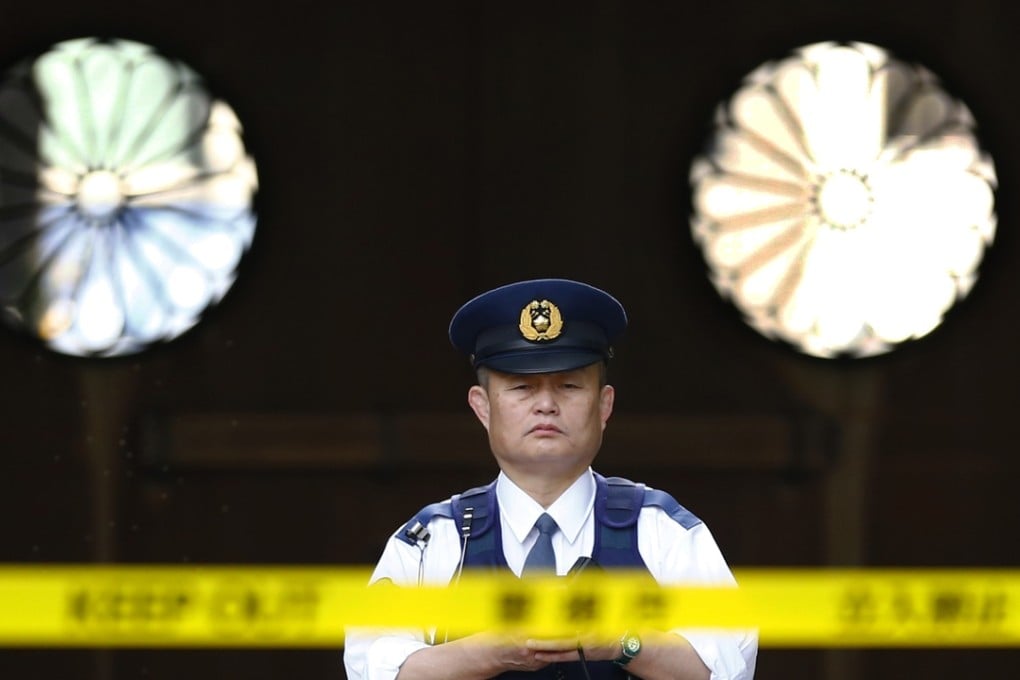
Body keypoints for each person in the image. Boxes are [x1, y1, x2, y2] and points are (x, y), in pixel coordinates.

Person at [344, 278, 757, 680]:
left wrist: (622, 641)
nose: (545, 404)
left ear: (604, 405)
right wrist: (488, 651)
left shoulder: (665, 532)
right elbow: (372, 667)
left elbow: (726, 668)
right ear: (482, 407)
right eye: (522, 387)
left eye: (569, 386)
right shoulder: (431, 542)